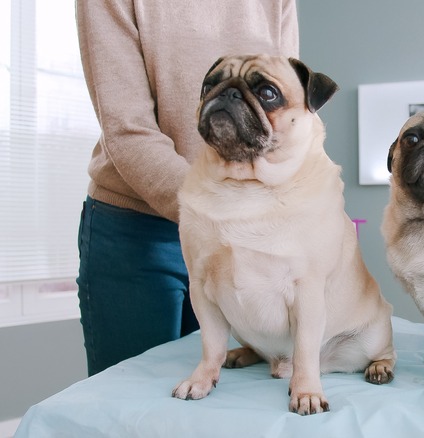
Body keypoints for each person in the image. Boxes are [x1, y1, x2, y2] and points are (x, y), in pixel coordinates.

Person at [75, 0, 299, 375]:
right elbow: (128, 130)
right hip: (137, 233)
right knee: (132, 403)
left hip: (245, 225)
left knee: (227, 398)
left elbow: (289, 113)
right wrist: (224, 213)